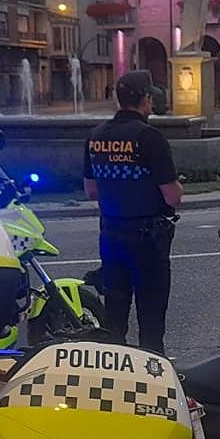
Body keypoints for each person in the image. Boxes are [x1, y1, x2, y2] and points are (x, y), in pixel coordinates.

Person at [83, 70, 183, 354]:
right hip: (148, 238)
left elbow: (91, 191)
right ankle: (152, 377)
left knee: (115, 313)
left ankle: (115, 374)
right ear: (146, 99)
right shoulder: (148, 136)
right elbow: (172, 196)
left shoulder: (96, 136)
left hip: (111, 233)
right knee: (151, 318)